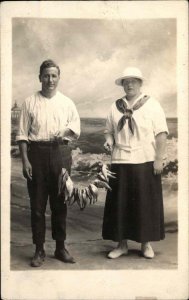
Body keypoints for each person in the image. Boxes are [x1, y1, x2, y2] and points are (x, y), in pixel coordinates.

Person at [17, 59, 80, 267]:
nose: (50, 80)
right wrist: (25, 160)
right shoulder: (29, 102)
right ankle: (39, 250)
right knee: (37, 205)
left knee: (60, 203)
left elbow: (75, 129)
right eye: (46, 75)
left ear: (58, 78)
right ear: (40, 78)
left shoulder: (67, 102)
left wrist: (64, 133)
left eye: (54, 75)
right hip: (36, 154)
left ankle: (60, 248)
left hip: (60, 154)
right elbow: (23, 135)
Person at [102, 67, 168, 259]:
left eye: (134, 81)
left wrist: (158, 159)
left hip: (145, 160)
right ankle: (121, 245)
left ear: (140, 83)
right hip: (120, 160)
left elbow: (161, 133)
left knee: (144, 204)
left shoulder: (152, 104)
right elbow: (109, 130)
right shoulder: (115, 106)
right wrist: (109, 140)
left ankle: (145, 244)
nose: (129, 84)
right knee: (119, 204)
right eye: (126, 81)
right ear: (122, 85)